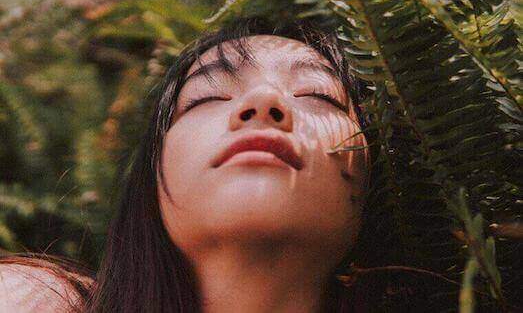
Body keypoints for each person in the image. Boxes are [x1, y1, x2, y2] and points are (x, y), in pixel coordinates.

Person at [0, 17, 373, 312]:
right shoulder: (34, 301)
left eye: (316, 94)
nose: (263, 100)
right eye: (207, 97)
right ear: (151, 175)